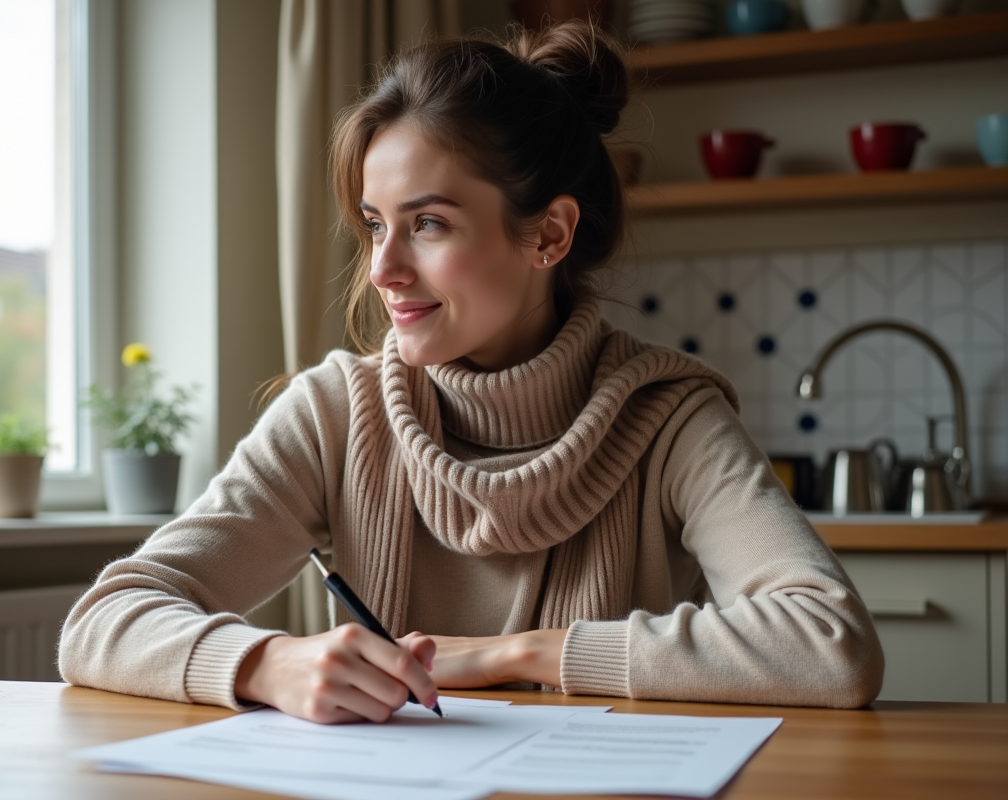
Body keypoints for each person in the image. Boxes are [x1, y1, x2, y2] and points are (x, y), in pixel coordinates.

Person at [59, 21, 883, 724]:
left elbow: (830, 645)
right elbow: (101, 623)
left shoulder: (671, 418)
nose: (382, 268)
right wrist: (265, 664)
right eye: (375, 223)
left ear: (549, 236)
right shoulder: (333, 413)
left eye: (428, 224)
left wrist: (512, 655)